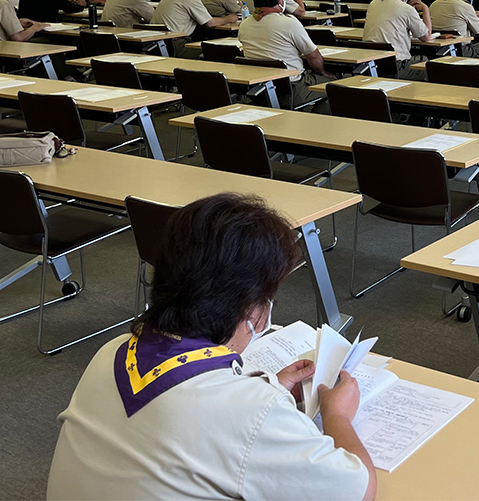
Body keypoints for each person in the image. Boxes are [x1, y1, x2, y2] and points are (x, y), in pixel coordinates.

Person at [46, 193, 375, 501]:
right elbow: (358, 489)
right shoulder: (251, 410)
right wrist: (337, 415)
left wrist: (272, 388)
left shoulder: (112, 352)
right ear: (252, 310)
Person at [240, 0, 331, 83]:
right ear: (280, 0)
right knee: (335, 84)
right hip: (293, 85)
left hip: (259, 86)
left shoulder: (244, 25)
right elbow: (314, 56)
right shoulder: (289, 23)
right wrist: (323, 72)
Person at [363, 0, 430, 63]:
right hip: (396, 65)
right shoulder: (406, 9)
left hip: (371, 63)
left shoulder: (373, 3)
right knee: (427, 64)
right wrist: (425, 9)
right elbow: (426, 37)